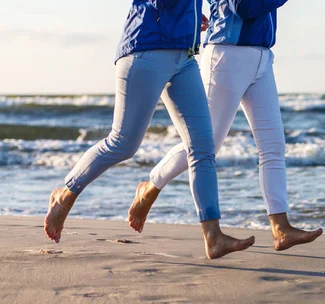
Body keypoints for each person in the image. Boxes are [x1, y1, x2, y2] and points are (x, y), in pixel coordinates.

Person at [44, 0, 255, 259]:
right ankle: (65, 194)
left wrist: (189, 16)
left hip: (184, 58)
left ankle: (213, 236)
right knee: (123, 143)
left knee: (203, 147)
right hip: (145, 51)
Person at [128, 0, 323, 251]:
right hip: (226, 53)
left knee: (273, 146)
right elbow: (244, 7)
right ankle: (151, 186)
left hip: (262, 56)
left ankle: (281, 228)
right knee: (206, 144)